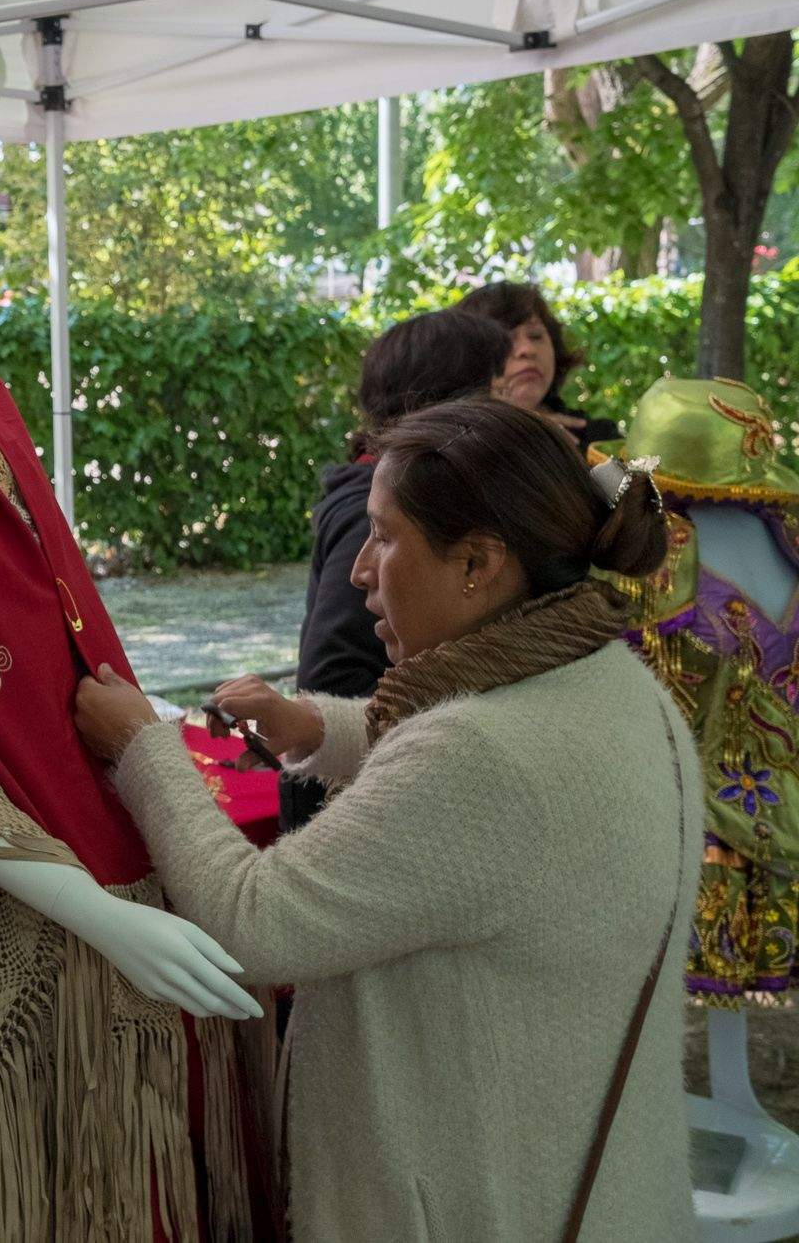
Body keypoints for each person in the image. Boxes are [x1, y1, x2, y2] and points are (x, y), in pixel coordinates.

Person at [75, 398, 698, 1241]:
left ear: (478, 562)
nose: (360, 569)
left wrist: (143, 747)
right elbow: (473, 817)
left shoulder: (483, 757)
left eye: (385, 535)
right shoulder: (611, 688)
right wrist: (310, 727)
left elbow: (251, 920)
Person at [283, 309, 510, 830]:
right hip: (355, 806)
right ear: (451, 405)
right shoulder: (381, 500)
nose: (508, 408)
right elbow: (332, 675)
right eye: (492, 392)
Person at [459, 280, 621, 451]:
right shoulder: (448, 443)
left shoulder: (597, 440)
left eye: (536, 336)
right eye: (505, 340)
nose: (527, 350)